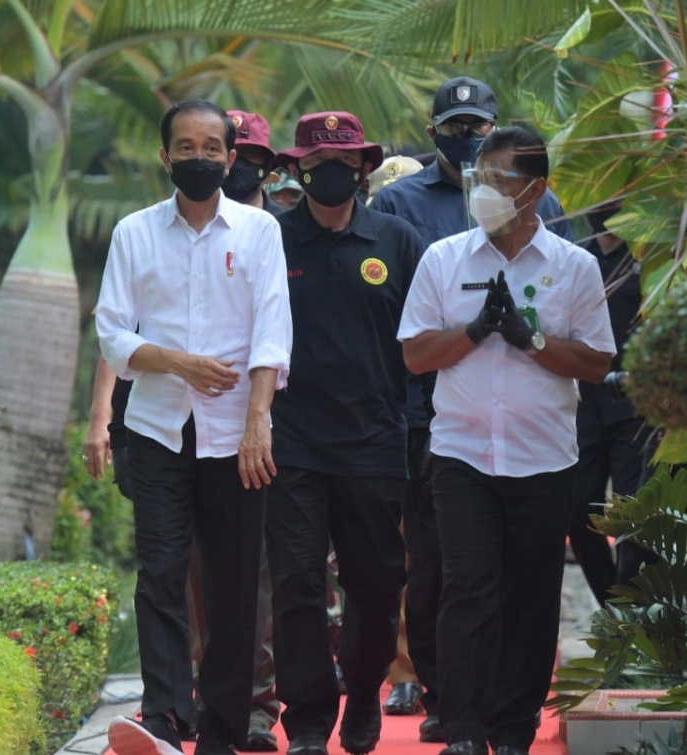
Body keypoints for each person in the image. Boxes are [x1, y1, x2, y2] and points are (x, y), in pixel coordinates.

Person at [368, 76, 576, 740]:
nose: (467, 142)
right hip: (427, 416)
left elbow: (576, 313)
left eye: (478, 129)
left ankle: (497, 711)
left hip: (529, 429)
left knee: (510, 578)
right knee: (438, 572)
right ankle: (446, 700)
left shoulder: (552, 207)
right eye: (455, 129)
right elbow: (395, 321)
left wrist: (529, 336)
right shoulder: (399, 205)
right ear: (433, 135)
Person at [397, 125, 615, 755]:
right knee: (466, 587)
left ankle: (514, 730)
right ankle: (463, 730)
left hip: (543, 459)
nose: (485, 192)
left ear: (537, 190)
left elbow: (598, 363)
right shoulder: (445, 260)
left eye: (501, 180)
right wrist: (473, 331)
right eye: (479, 179)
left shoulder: (574, 267)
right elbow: (414, 355)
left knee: (530, 594)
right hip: (463, 455)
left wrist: (531, 340)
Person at [86, 109, 289, 752]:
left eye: (211, 147)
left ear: (231, 159)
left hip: (236, 437)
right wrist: (176, 360)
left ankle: (225, 728)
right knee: (161, 575)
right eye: (185, 147)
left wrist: (258, 421)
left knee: (233, 585)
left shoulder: (259, 231)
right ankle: (167, 716)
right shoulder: (134, 232)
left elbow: (273, 332)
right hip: (155, 430)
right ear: (165, 156)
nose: (198, 157)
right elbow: (113, 333)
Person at [267, 111, 422, 755]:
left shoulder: (398, 240)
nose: (328, 174)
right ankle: (307, 717)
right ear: (297, 168)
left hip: (375, 444)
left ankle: (361, 692)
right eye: (316, 163)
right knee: (297, 583)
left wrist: (416, 429)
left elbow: (423, 342)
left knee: (376, 584)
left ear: (364, 168)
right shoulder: (270, 240)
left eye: (342, 162)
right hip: (290, 444)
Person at [570, 202, 656, 604]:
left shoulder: (649, 255)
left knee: (633, 518)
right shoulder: (576, 256)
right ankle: (613, 604)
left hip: (635, 406)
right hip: (582, 404)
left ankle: (632, 609)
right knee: (577, 511)